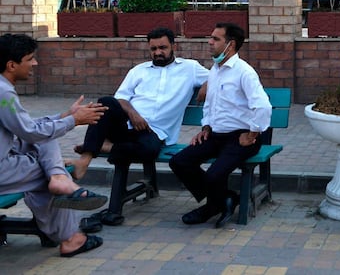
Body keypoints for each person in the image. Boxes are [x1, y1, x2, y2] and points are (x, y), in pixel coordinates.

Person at [0, 33, 108, 257]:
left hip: (7, 159)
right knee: (46, 172)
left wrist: (65, 115)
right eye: (30, 59)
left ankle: (59, 181)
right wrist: (74, 121)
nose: (35, 63)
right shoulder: (3, 93)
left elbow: (26, 127)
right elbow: (30, 132)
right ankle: (70, 238)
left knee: (47, 153)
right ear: (11, 65)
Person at [67, 28, 209, 191]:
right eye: (153, 49)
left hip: (155, 133)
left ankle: (100, 145)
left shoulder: (190, 68)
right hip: (126, 125)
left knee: (149, 151)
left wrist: (206, 84)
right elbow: (120, 98)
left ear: (173, 47)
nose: (158, 53)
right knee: (105, 102)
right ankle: (84, 162)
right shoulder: (139, 71)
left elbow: (217, 77)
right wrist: (133, 114)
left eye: (163, 48)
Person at [169, 23, 272, 228]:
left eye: (216, 39)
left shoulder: (244, 72)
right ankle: (225, 199)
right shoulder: (215, 70)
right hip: (216, 135)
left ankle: (212, 206)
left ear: (230, 45)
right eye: (211, 37)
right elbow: (210, 104)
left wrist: (251, 134)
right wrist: (206, 127)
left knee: (215, 174)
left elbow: (263, 106)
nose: (210, 42)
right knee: (180, 162)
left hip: (241, 138)